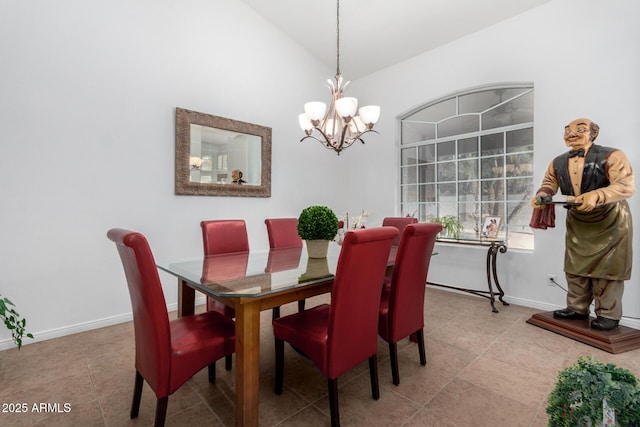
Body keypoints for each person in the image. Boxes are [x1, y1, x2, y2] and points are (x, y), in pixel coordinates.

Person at [531, 118, 634, 330]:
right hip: (578, 221)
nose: (572, 134)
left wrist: (598, 195)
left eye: (580, 129)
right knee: (574, 268)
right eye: (568, 130)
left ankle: (609, 314)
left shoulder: (613, 155)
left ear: (593, 133)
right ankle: (576, 307)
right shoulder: (558, 161)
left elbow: (625, 186)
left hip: (610, 221)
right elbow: (550, 182)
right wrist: (543, 194)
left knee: (608, 271)